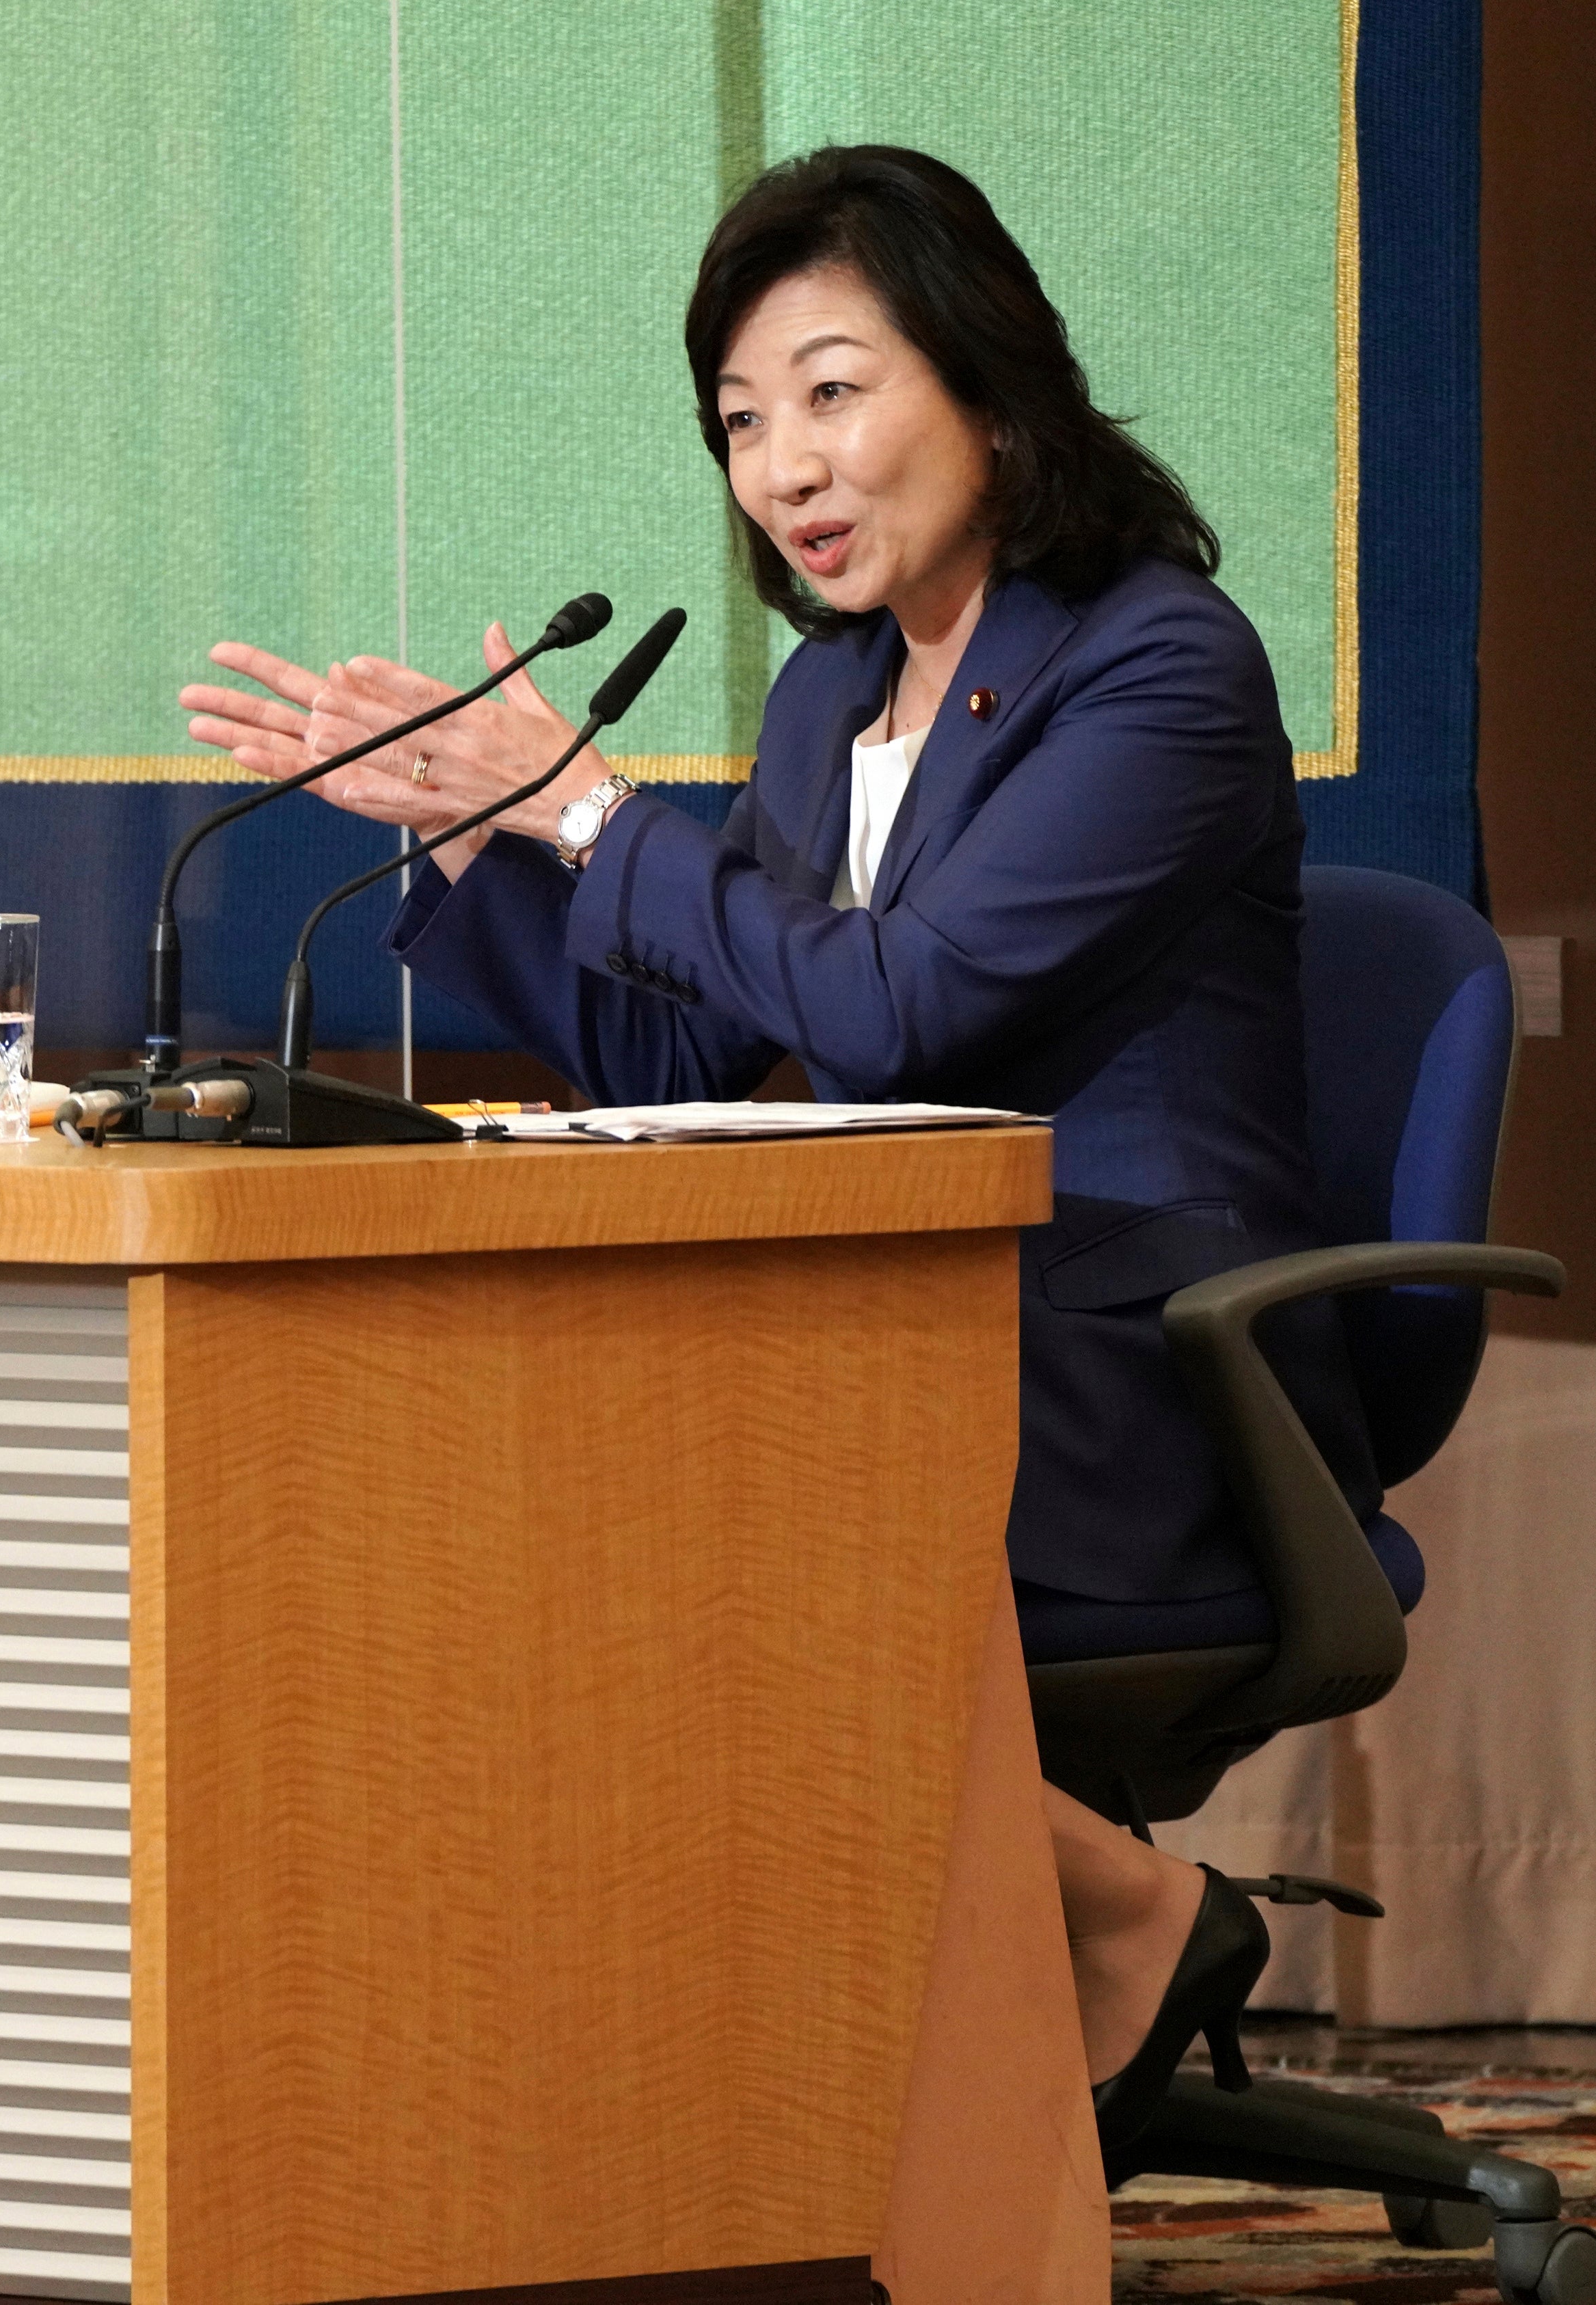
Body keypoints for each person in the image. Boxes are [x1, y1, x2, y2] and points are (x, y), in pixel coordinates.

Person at [180, 145, 1376, 2153]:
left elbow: (912, 1011)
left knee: (635, 1485)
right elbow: (710, 1037)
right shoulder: (834, 702)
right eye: (742, 421)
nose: (783, 467)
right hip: (899, 1317)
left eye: (834, 391)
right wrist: (483, 840)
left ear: (988, 387)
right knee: (497, 1457)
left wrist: (588, 813)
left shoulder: (1158, 665)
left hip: (1139, 1353)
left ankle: (1017, 1968)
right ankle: (1032, 1948)